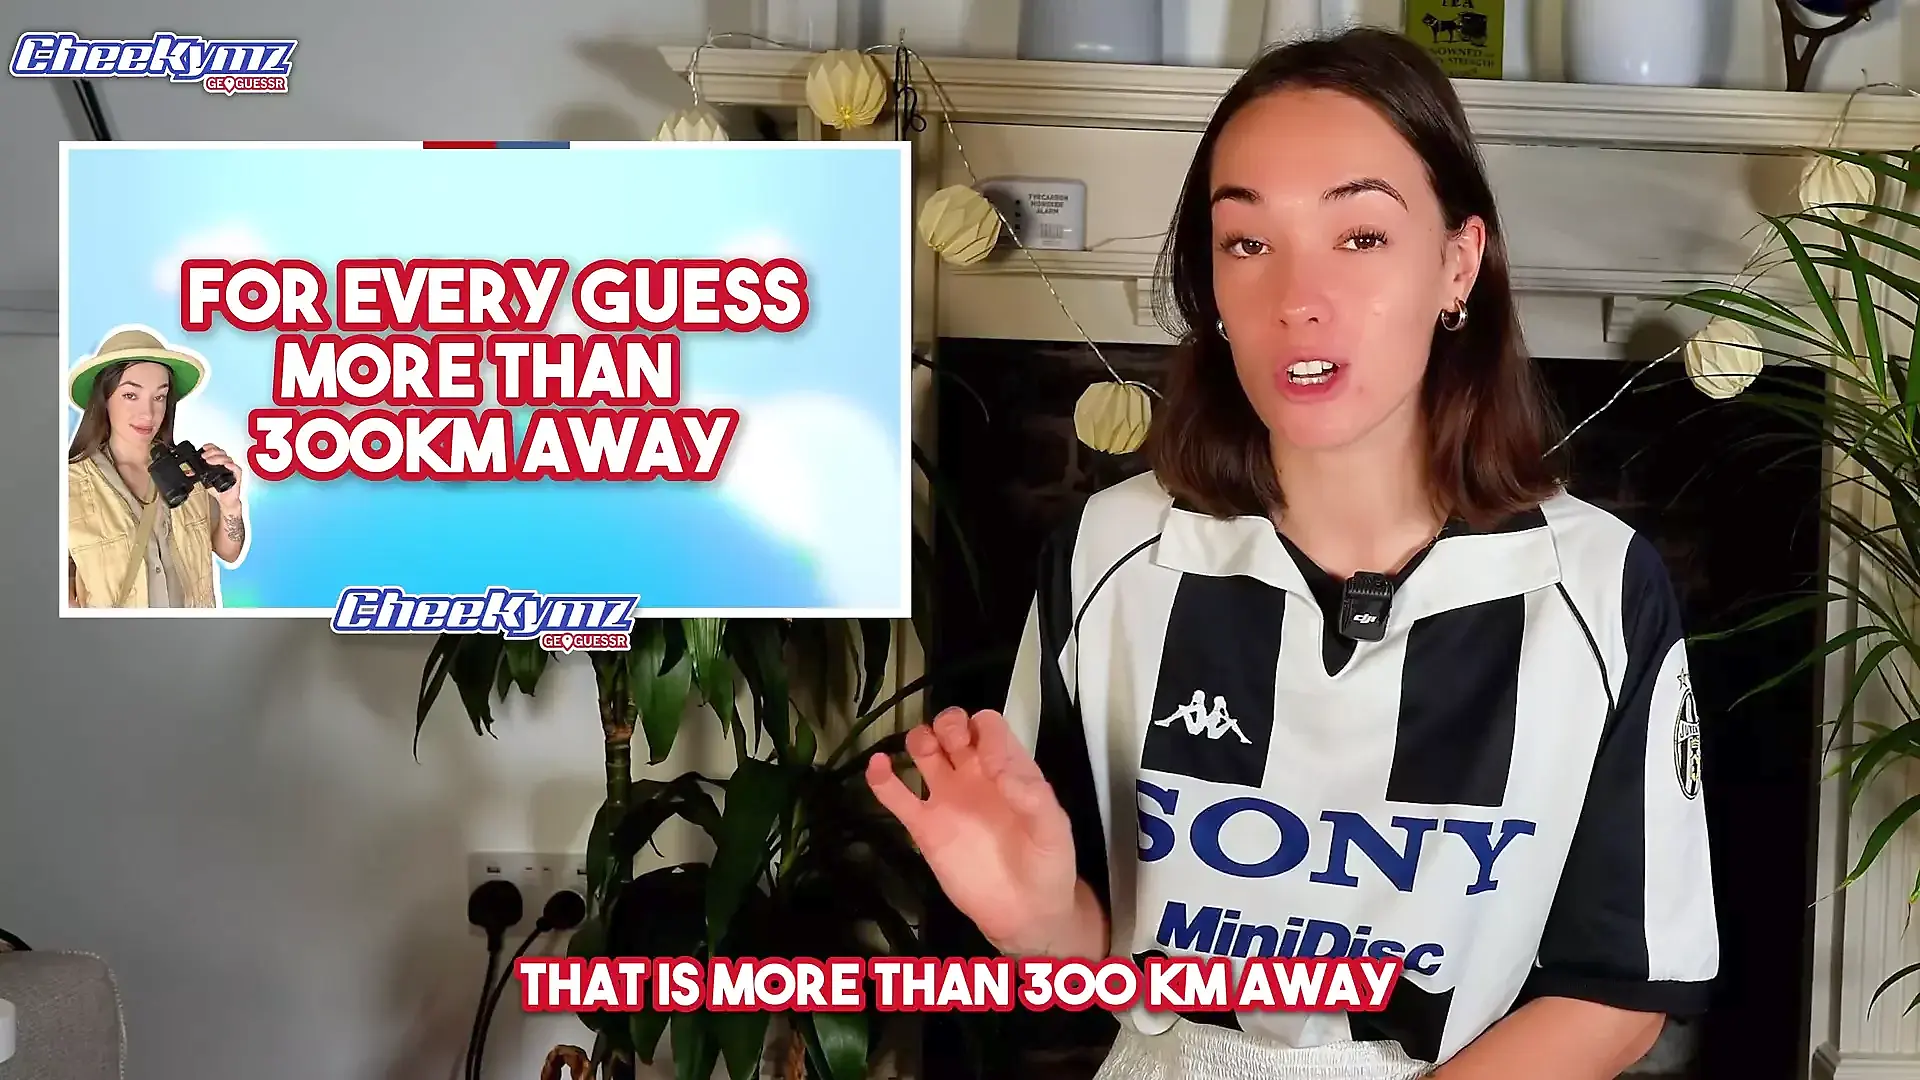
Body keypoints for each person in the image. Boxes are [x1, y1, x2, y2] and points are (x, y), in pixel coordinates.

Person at [866, 28, 1717, 1080]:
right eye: (1246, 242)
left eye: (1359, 235)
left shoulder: (1594, 586)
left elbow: (1621, 990)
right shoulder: (1110, 554)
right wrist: (1037, 922)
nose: (1296, 299)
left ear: (1457, 264)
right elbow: (1088, 961)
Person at [66, 327, 248, 608]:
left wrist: (230, 505)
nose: (148, 413)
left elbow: (230, 552)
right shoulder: (68, 486)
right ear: (104, 399)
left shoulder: (190, 470)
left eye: (159, 397)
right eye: (130, 395)